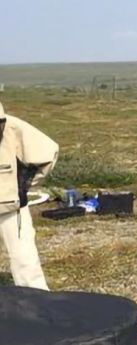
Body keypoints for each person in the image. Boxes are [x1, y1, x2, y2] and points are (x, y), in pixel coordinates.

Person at [0, 101, 58, 290]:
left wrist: (23, 186)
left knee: (24, 259)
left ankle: (38, 305)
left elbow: (48, 153)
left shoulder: (13, 128)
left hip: (12, 208)